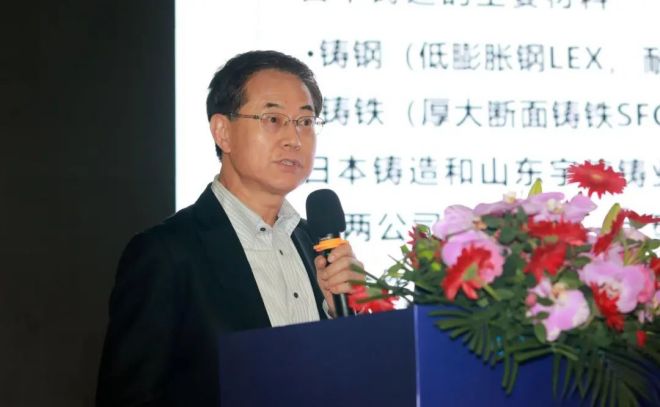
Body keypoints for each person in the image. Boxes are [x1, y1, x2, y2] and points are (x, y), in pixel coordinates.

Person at [96, 50, 364, 407]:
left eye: (305, 121)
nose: (294, 139)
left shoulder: (315, 245)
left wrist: (342, 314)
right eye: (273, 119)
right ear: (223, 132)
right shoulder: (166, 253)